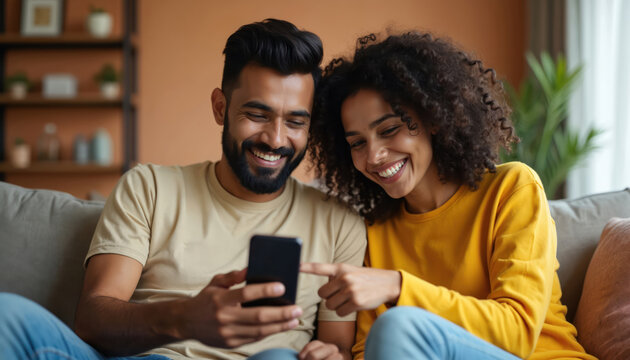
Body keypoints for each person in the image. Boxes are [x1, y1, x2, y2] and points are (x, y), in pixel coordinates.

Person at [0, 19, 366, 360]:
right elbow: (92, 318)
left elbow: (335, 344)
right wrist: (186, 318)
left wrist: (329, 354)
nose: (275, 138)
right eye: (257, 115)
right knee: (8, 314)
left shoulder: (339, 222)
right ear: (220, 108)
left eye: (295, 122)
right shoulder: (150, 187)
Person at [303, 31, 596, 359]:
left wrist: (398, 287)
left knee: (397, 327)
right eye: (357, 142)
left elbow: (517, 332)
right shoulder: (375, 230)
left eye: (389, 130)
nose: (373, 156)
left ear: (433, 120)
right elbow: (371, 350)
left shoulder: (512, 189)